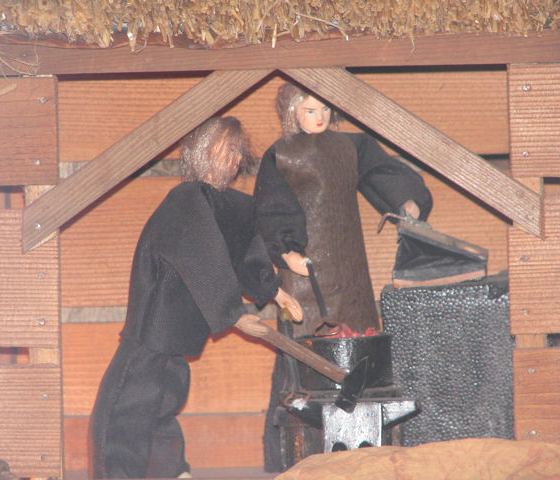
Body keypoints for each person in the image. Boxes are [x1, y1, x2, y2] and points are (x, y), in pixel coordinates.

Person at [89, 116, 301, 479]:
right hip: (155, 323)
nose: (235, 157)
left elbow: (244, 252)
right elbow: (203, 252)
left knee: (159, 403)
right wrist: (233, 313)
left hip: (180, 330)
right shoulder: (186, 199)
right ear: (202, 150)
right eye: (227, 147)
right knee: (126, 408)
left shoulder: (231, 205)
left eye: (238, 150)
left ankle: (170, 471)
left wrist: (275, 292)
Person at [253, 82, 433, 471]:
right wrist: (285, 251)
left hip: (350, 269)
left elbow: (382, 171)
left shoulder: (351, 146)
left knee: (360, 352)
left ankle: (361, 453)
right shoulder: (281, 155)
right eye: (309, 111)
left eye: (325, 109)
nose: (319, 118)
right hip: (306, 274)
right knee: (299, 359)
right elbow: (270, 208)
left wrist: (407, 202)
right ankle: (293, 455)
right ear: (292, 112)